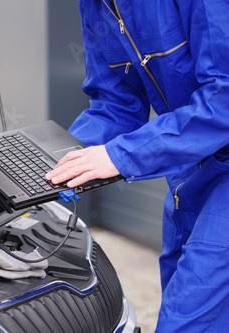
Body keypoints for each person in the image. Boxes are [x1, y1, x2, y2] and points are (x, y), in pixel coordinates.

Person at [45, 1, 229, 332]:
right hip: (188, 169)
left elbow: (224, 97)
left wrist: (122, 156)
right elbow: (116, 105)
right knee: (180, 291)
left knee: (186, 318)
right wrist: (45, 166)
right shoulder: (95, 6)